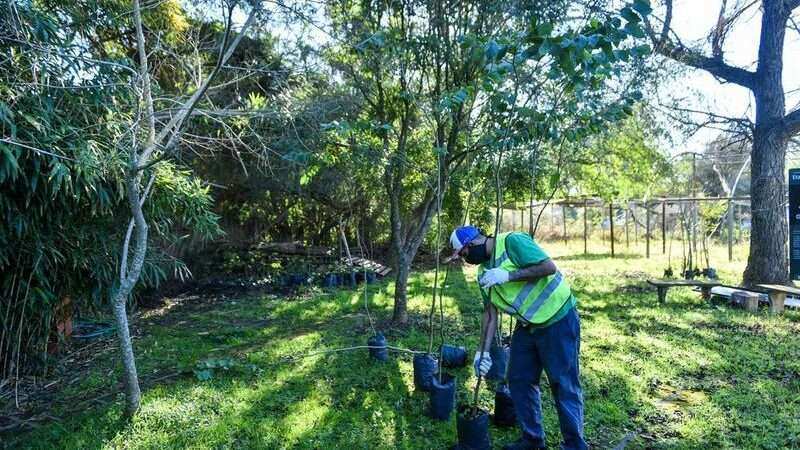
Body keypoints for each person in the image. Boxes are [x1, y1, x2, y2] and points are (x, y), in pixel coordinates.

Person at [448, 225, 587, 450]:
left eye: (464, 254)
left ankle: (575, 445)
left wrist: (508, 275)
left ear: (472, 243)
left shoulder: (512, 242)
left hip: (558, 319)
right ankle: (533, 440)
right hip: (528, 326)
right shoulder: (484, 273)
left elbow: (548, 267)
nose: (466, 260)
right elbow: (490, 314)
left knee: (564, 384)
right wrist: (482, 352)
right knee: (519, 379)